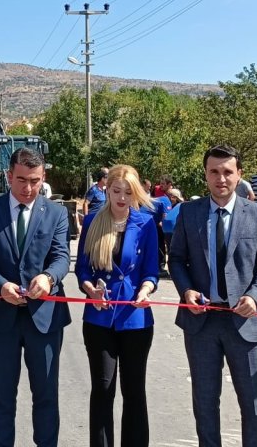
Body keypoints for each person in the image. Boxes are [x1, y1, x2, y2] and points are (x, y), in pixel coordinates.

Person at [169, 144, 257, 447]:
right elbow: (176, 259)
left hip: (246, 322)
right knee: (205, 403)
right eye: (214, 172)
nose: (221, 178)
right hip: (201, 323)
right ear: (205, 175)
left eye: (228, 172)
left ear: (239, 174)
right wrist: (186, 290)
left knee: (253, 406)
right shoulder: (189, 213)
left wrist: (255, 296)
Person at [0, 147, 70, 447]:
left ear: (43, 177)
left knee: (46, 395)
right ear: (8, 176)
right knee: (2, 395)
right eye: (21, 180)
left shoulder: (56, 213)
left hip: (45, 319)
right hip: (1, 320)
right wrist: (1, 286)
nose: (28, 188)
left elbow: (61, 256)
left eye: (35, 181)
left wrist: (49, 278)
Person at [76, 164, 159, 447]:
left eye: (128, 192)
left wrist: (146, 290)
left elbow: (151, 271)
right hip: (99, 319)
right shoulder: (92, 221)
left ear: (136, 193)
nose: (122, 198)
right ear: (107, 190)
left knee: (134, 391)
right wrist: (90, 290)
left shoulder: (146, 224)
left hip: (135, 319)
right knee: (102, 389)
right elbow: (82, 269)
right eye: (116, 191)